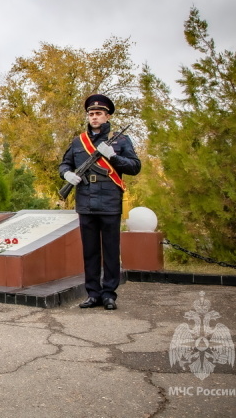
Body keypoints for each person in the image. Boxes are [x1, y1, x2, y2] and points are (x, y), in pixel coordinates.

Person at [59, 94, 141, 310]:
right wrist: (67, 175)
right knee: (90, 251)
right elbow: (64, 164)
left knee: (111, 250)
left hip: (110, 201)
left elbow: (134, 167)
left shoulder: (121, 140)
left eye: (98, 114)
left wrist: (113, 156)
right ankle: (93, 294)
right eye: (91, 114)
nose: (94, 117)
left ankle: (109, 294)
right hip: (85, 201)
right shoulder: (79, 141)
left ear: (107, 116)